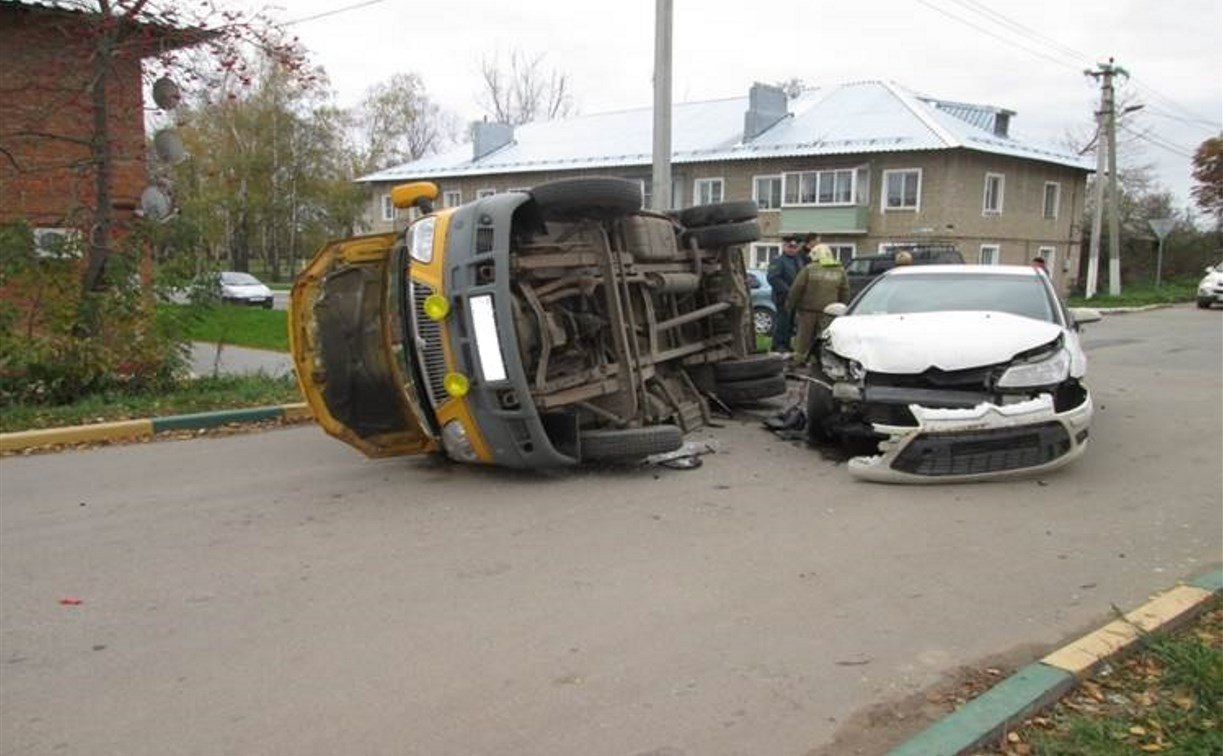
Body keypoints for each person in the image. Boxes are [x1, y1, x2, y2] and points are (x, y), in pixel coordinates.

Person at [785, 244, 850, 367]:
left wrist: (790, 304)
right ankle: (824, 362)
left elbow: (797, 288)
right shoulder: (840, 270)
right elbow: (845, 290)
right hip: (830, 312)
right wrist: (842, 307)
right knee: (825, 338)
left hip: (807, 310)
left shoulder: (809, 269)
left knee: (803, 338)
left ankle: (799, 361)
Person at [766, 239, 804, 352]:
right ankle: (778, 344)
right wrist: (788, 290)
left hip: (794, 297)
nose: (792, 249)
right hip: (782, 296)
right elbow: (773, 278)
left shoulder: (798, 260)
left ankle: (786, 344)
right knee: (783, 321)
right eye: (790, 246)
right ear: (784, 246)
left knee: (790, 322)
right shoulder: (779, 260)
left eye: (795, 247)